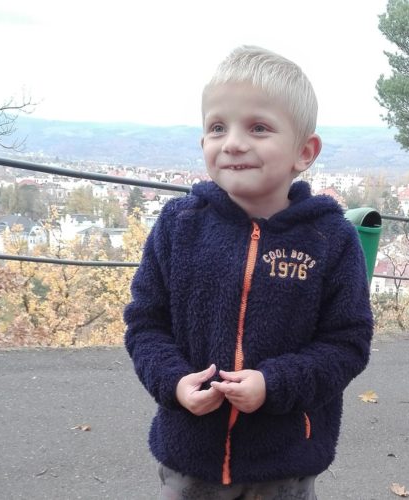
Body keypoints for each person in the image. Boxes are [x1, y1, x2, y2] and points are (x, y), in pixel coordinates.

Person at [124, 45, 373, 499]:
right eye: (217, 127)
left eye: (258, 127)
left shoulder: (330, 238)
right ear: (203, 142)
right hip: (189, 458)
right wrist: (174, 383)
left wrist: (273, 384)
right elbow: (145, 324)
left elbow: (347, 343)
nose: (233, 142)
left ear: (304, 151)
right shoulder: (179, 226)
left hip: (283, 463)